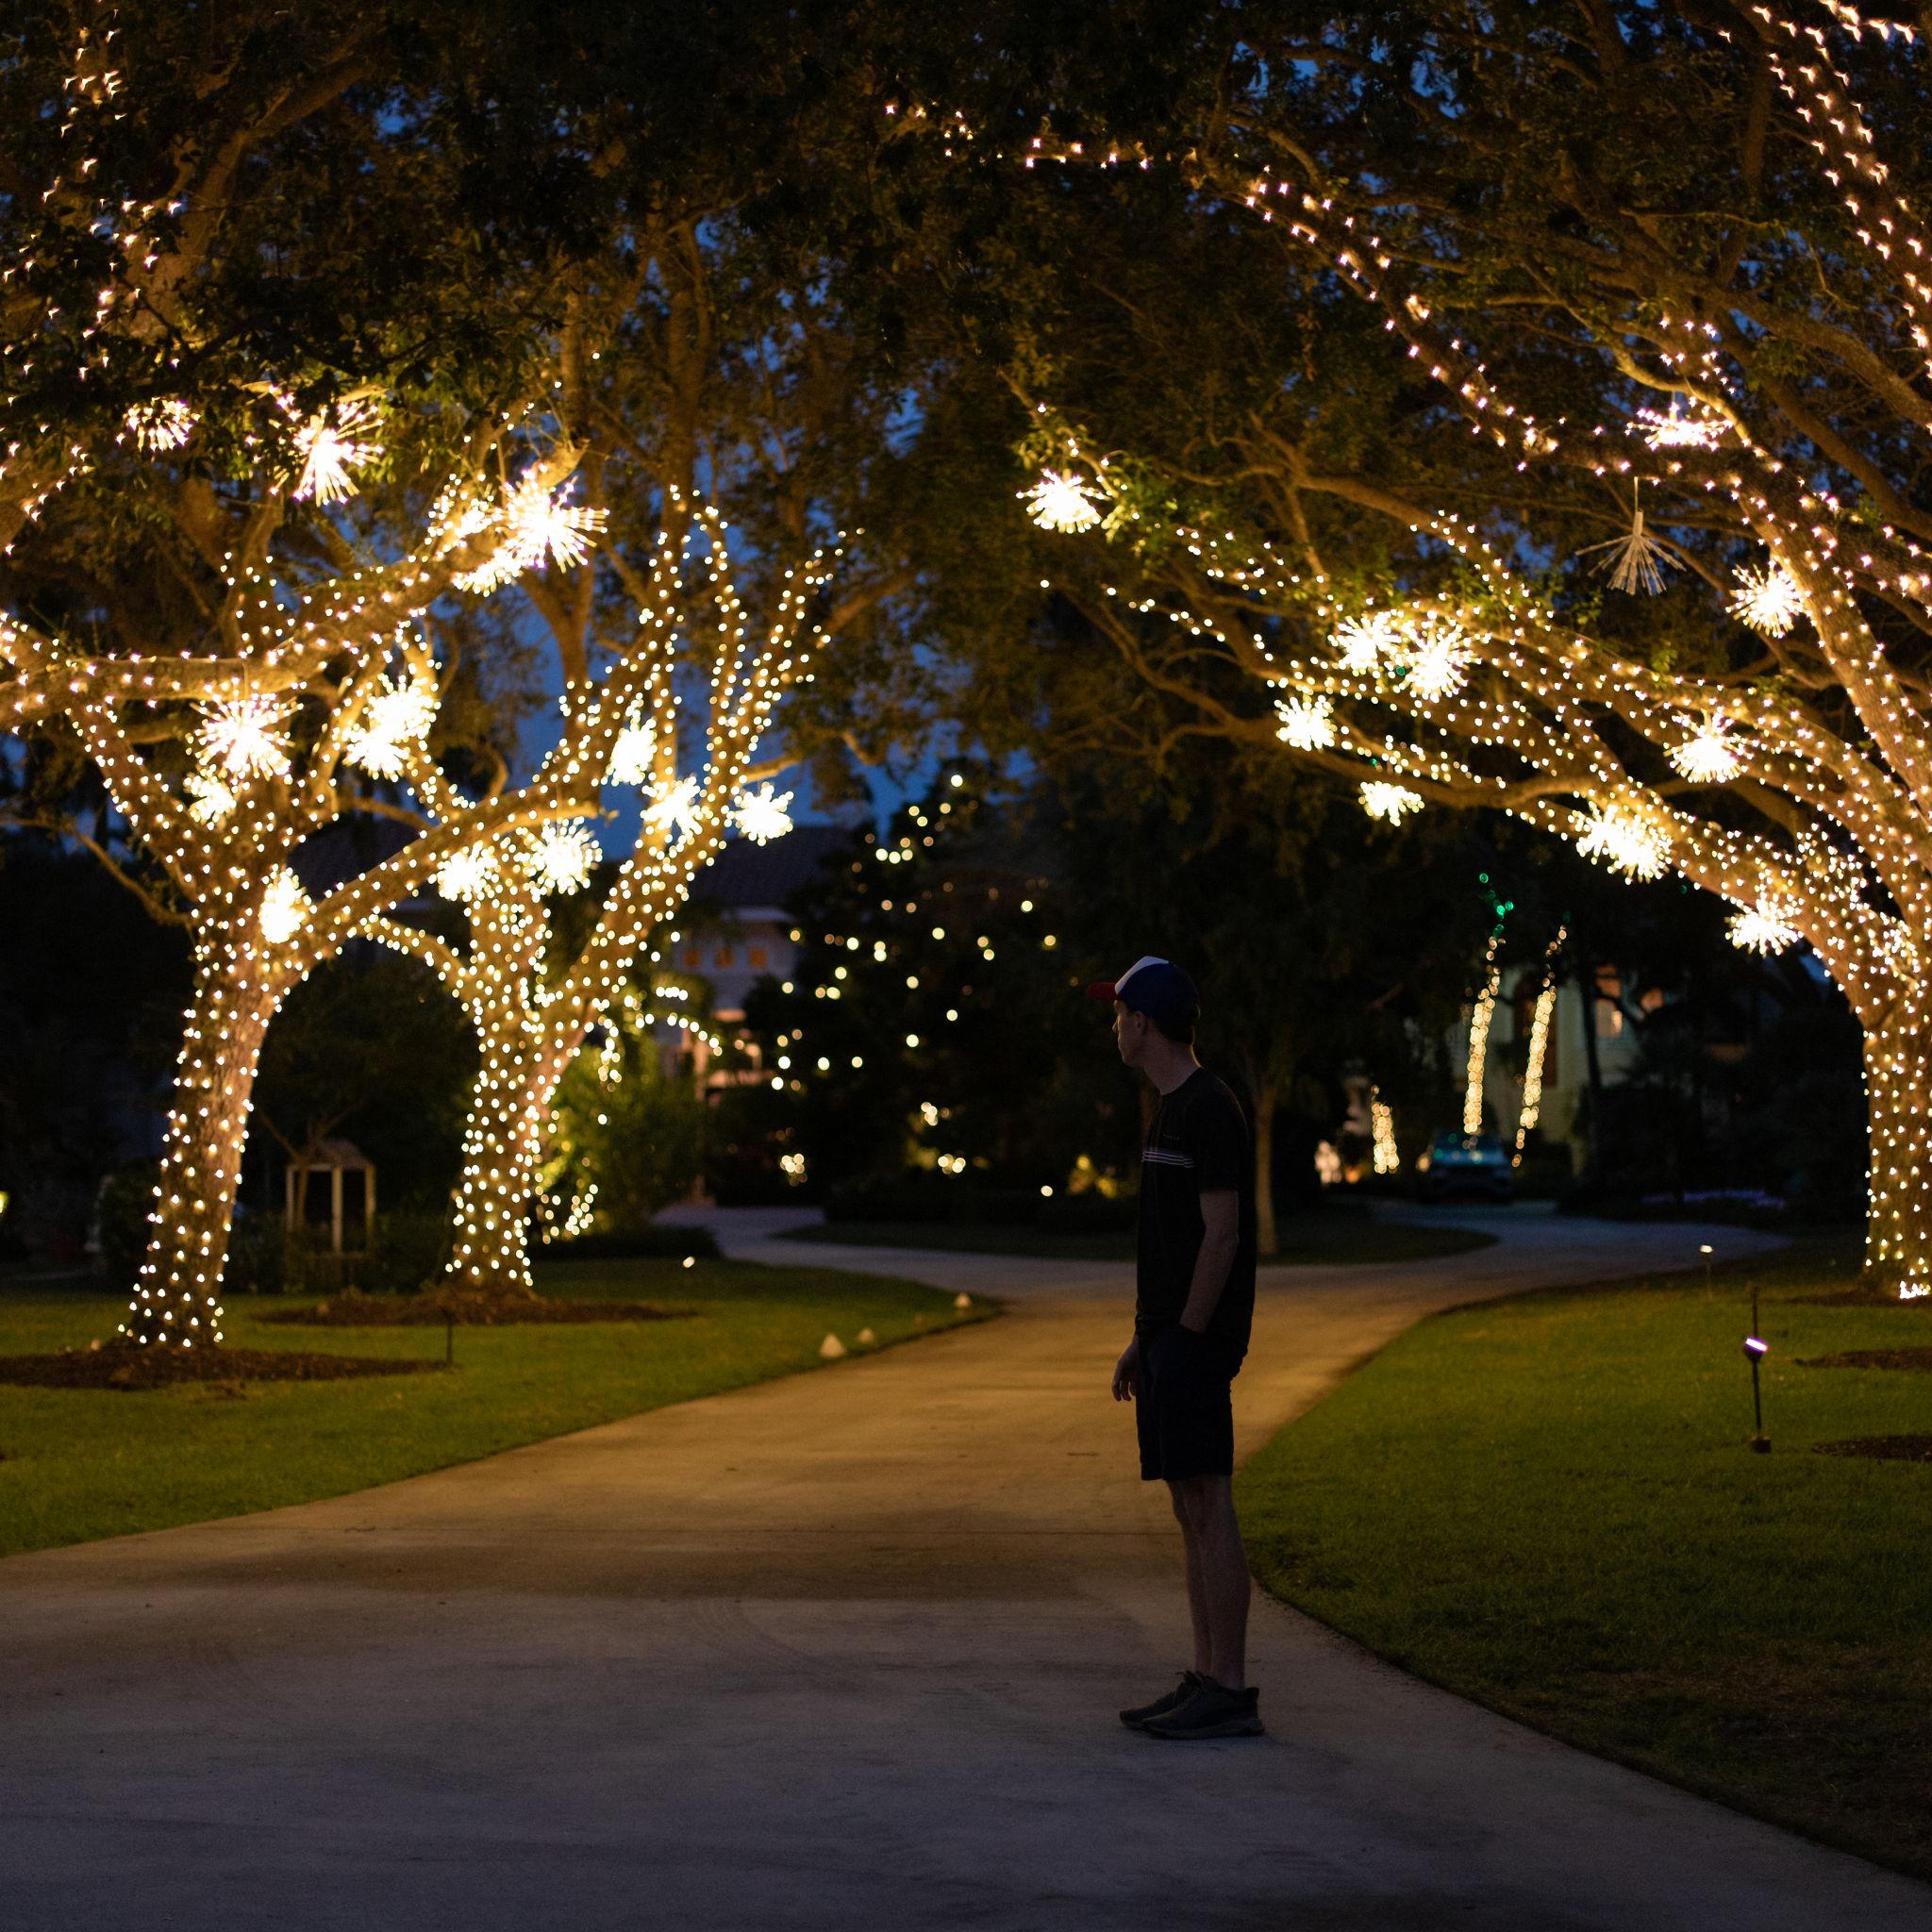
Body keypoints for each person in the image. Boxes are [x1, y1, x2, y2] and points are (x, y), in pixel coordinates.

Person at [1090, 956, 1263, 1740]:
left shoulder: (1208, 1108)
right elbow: (1173, 1241)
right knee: (1187, 1510)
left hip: (1194, 1344)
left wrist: (1187, 1339)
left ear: (1144, 1023)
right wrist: (1143, 1340)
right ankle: (1204, 1675)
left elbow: (1221, 1235)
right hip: (1165, 1343)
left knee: (1209, 1502)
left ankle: (1229, 1686)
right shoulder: (1168, 1109)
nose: (1113, 1025)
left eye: (1119, 1012)